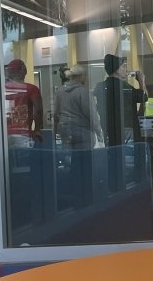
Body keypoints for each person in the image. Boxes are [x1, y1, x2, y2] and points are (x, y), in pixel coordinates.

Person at [55, 64, 99, 205]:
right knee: (85, 165)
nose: (85, 78)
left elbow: (56, 113)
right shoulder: (82, 92)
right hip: (82, 132)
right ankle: (86, 197)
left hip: (66, 131)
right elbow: (91, 114)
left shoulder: (60, 92)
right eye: (85, 76)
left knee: (71, 164)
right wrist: (99, 131)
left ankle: (74, 194)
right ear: (80, 77)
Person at [93, 54, 146, 147]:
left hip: (107, 130)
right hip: (126, 129)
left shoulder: (100, 87)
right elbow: (143, 98)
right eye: (123, 66)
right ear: (117, 70)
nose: (126, 69)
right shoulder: (125, 87)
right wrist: (141, 81)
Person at [3, 59, 43, 148]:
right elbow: (38, 110)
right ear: (23, 72)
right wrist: (37, 130)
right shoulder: (32, 89)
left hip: (5, 134)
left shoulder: (3, 89)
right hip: (23, 134)